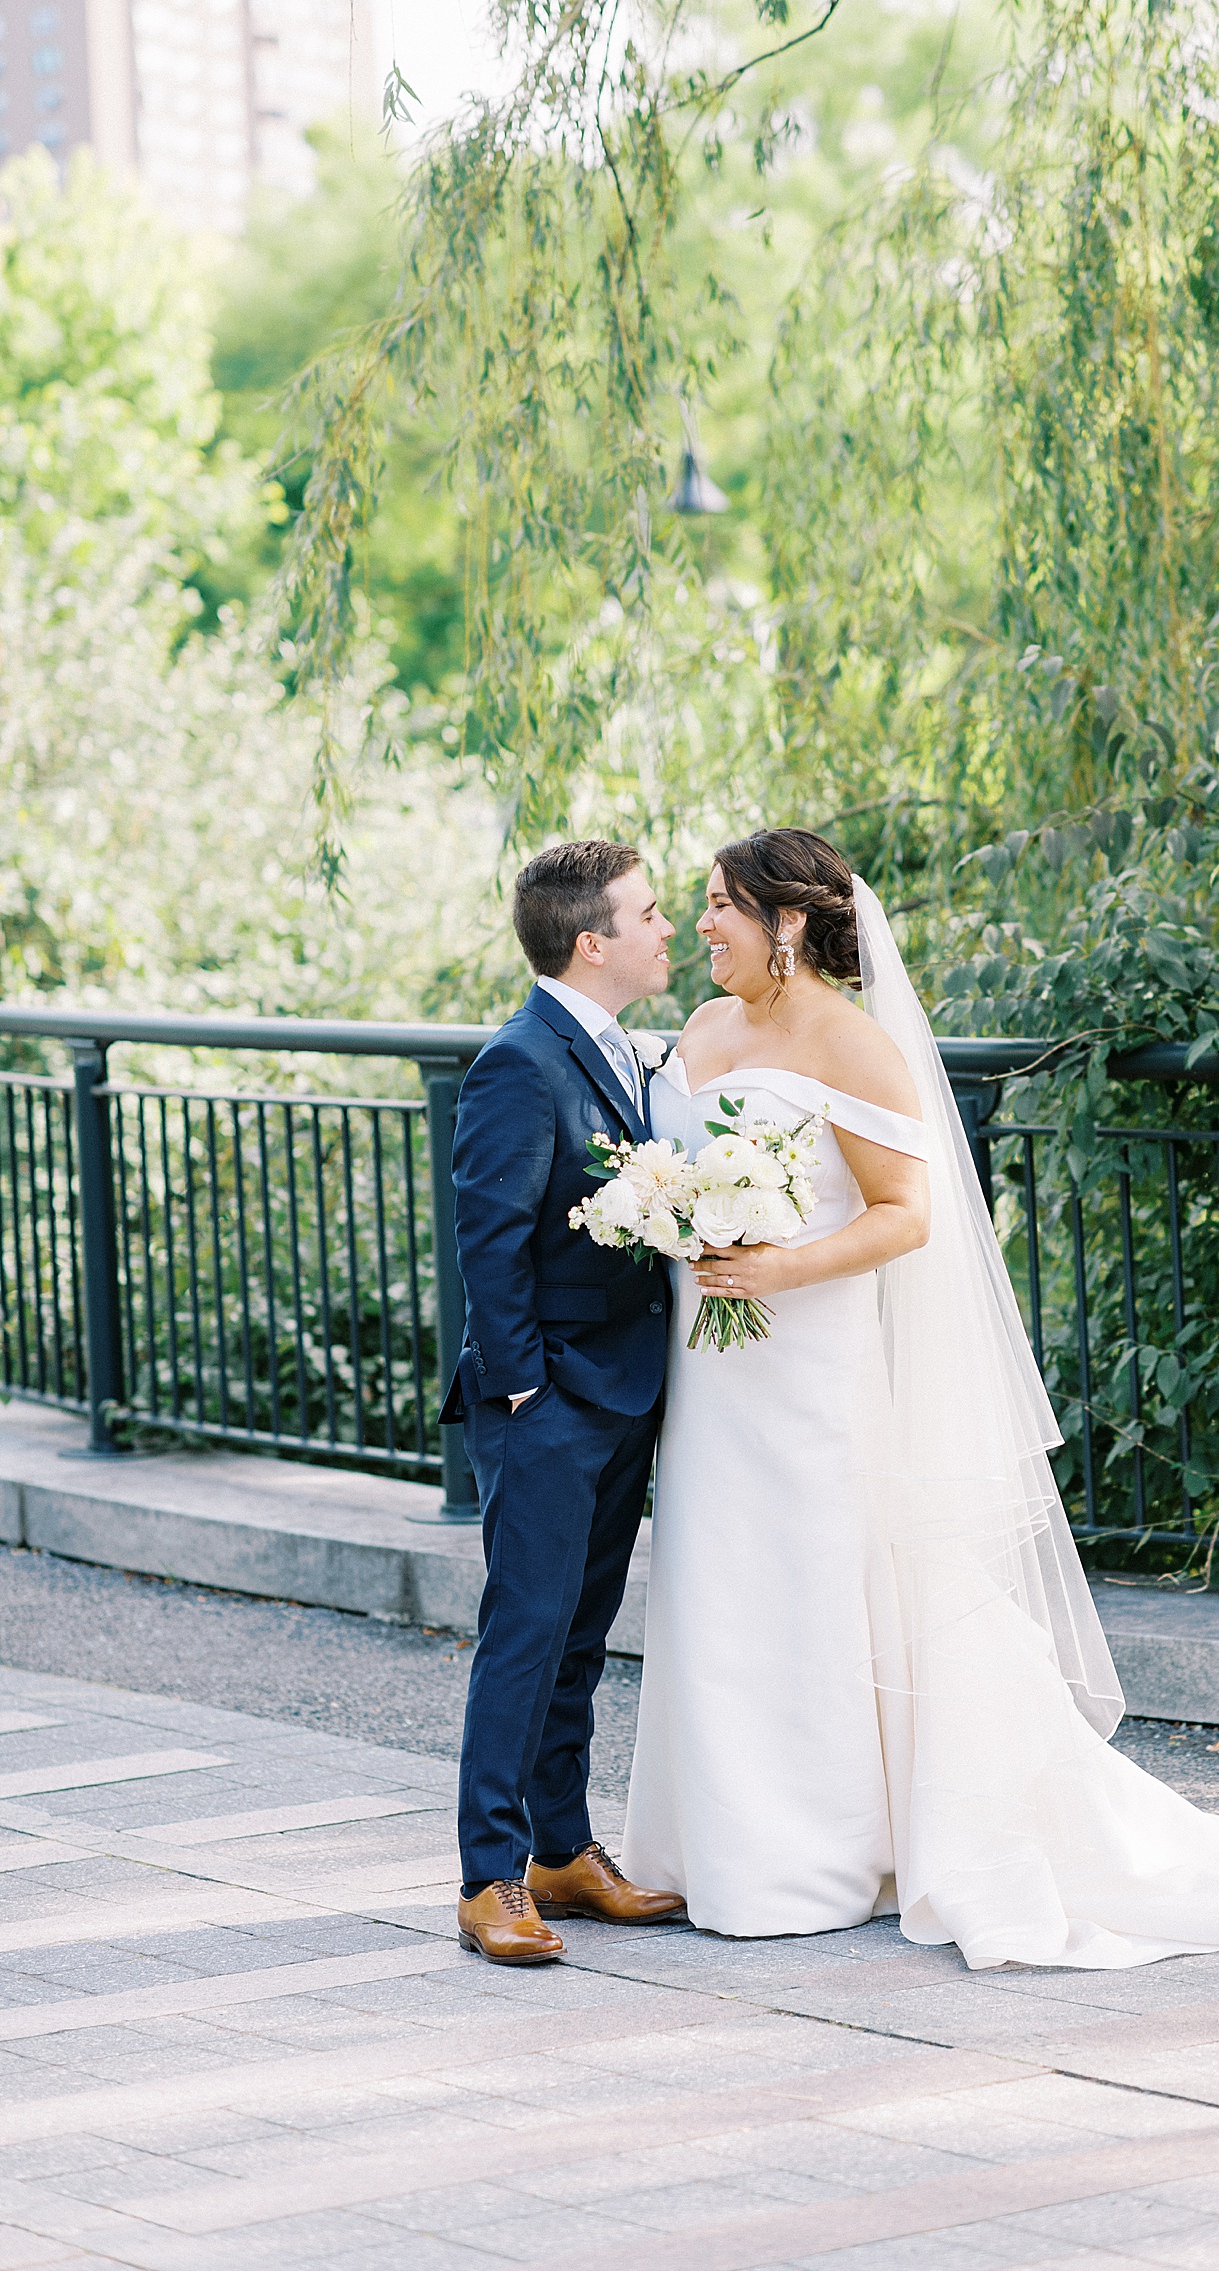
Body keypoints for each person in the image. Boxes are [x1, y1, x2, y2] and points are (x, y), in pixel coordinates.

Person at [619, 827, 1219, 1970]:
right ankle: (712, 1844)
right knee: (717, 1578)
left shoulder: (852, 1044)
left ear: (790, 921)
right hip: (715, 1371)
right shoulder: (705, 1029)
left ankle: (813, 1856)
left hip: (811, 1364)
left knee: (814, 1579)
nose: (702, 923)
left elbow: (906, 1216)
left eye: (719, 905)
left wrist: (777, 1266)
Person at [446, 840, 687, 1964]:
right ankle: (487, 1877)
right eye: (648, 915)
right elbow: (486, 1246)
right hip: (547, 1401)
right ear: (592, 943)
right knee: (526, 1634)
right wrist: (527, 1386)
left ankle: (562, 1852)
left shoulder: (630, 1052)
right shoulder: (518, 1061)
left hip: (624, 1390)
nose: (666, 929)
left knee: (581, 1638)